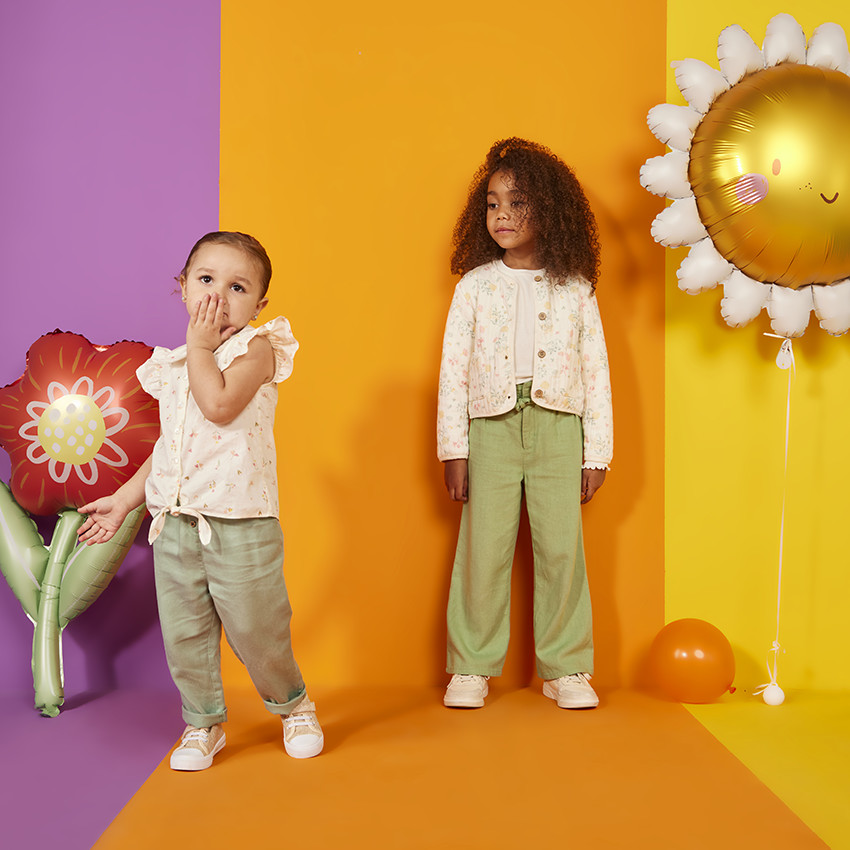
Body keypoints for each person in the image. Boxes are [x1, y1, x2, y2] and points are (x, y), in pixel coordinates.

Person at [77, 231, 323, 768]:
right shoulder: (179, 363)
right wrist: (124, 500)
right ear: (182, 288)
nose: (217, 298)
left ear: (259, 304)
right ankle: (202, 722)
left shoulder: (256, 349)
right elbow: (173, 444)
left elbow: (218, 405)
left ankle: (294, 704)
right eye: (205, 281)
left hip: (240, 520)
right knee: (185, 633)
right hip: (177, 521)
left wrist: (200, 348)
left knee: (257, 627)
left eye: (237, 287)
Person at [437, 138, 613, 710]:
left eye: (519, 203)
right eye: (493, 203)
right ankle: (471, 666)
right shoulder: (473, 287)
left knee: (562, 549)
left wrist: (596, 454)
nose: (503, 216)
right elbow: (452, 374)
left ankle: (566, 667)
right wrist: (452, 449)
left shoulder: (577, 288)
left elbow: (596, 373)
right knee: (483, 548)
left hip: (560, 425)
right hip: (489, 424)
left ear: (552, 211)